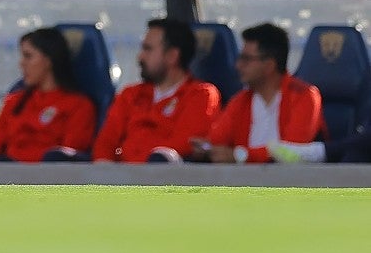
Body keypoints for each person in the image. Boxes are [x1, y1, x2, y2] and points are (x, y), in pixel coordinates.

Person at [89, 18, 220, 163]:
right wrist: (104, 170)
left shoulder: (200, 95)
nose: (140, 56)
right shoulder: (130, 94)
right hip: (119, 179)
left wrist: (136, 168)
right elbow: (106, 142)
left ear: (172, 56)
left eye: (148, 49)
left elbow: (184, 144)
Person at [193, 23, 323, 164]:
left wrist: (241, 155)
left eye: (246, 59)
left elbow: (293, 151)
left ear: (269, 65)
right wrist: (205, 149)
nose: (238, 65)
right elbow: (216, 140)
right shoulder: (240, 101)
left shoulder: (305, 96)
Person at [0, 28, 96, 163]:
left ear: (48, 60)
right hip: (9, 178)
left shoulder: (79, 106)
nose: (21, 63)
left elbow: (68, 159)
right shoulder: (15, 102)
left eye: (28, 56)